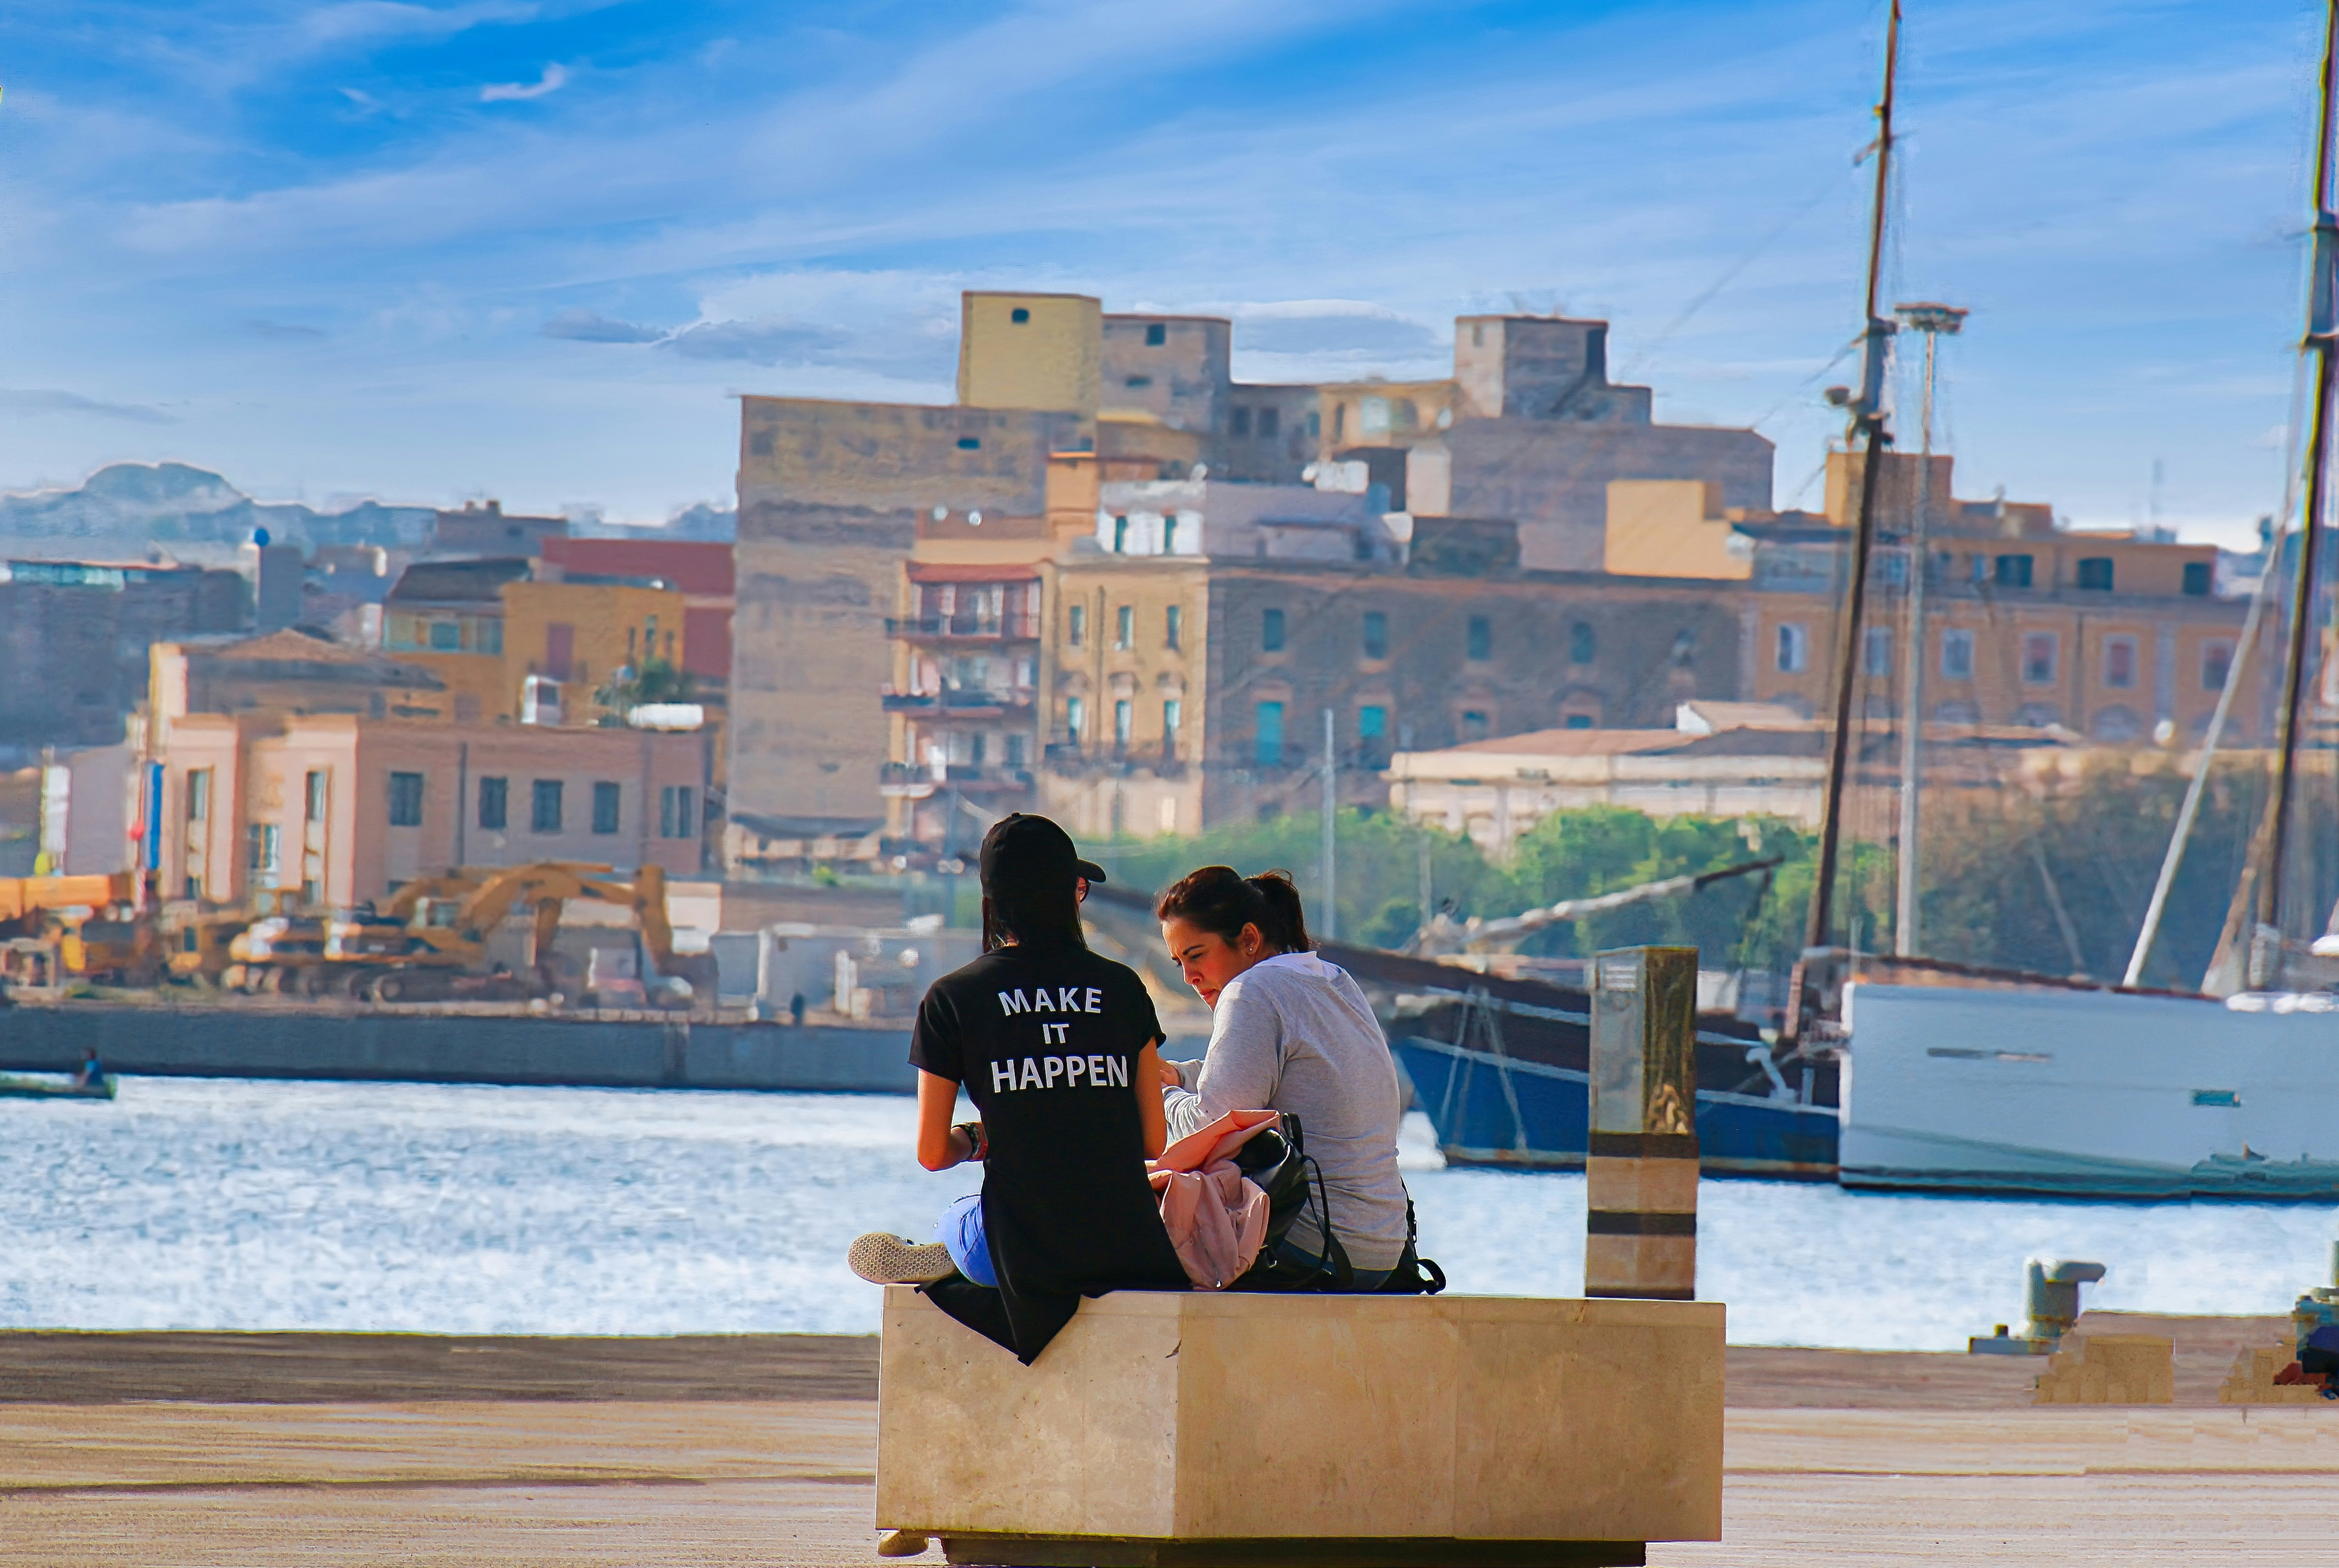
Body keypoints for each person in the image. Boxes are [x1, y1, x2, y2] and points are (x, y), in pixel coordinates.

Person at [848, 814, 1188, 1365]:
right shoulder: (1122, 988)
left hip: (1025, 1252)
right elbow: (1153, 1142)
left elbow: (934, 1154)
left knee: (960, 1215)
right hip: (1128, 1244)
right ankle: (955, 1248)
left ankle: (948, 1251)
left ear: (992, 902)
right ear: (1069, 896)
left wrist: (982, 1137)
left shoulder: (953, 998)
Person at [1155, 866, 1411, 1289]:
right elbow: (1274, 1069)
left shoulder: (1252, 990)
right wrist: (1182, 1076)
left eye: (1197, 955)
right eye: (1180, 961)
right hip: (1384, 1248)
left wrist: (1157, 1094)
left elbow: (1206, 1127)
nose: (1189, 977)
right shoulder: (1334, 979)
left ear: (1250, 939)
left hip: (1315, 1246)